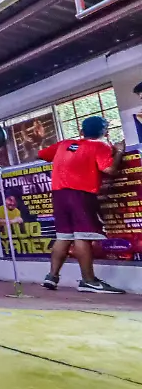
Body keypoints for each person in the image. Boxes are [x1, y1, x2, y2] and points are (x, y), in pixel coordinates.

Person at [39, 115, 125, 294]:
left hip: (59, 195)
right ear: (105, 132)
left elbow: (41, 154)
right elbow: (109, 169)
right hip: (81, 195)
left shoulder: (64, 143)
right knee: (82, 236)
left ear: (81, 131)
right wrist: (118, 152)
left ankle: (52, 277)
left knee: (63, 236)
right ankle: (89, 280)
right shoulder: (100, 146)